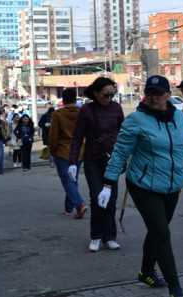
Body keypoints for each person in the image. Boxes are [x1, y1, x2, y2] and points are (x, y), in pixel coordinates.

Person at [103, 75, 183, 297]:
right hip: (144, 185)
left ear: (167, 95)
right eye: (150, 93)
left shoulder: (181, 119)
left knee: (158, 231)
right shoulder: (136, 120)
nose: (153, 98)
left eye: (158, 93)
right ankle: (176, 288)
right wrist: (108, 182)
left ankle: (146, 271)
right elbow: (120, 152)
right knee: (162, 234)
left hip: (172, 185)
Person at [69, 77, 124, 252]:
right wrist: (73, 162)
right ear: (95, 93)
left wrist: (125, 156)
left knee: (111, 199)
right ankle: (96, 236)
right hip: (92, 159)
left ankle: (110, 236)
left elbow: (124, 135)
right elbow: (77, 138)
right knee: (97, 197)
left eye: (112, 94)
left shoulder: (116, 108)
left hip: (112, 160)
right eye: (106, 94)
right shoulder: (86, 110)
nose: (109, 98)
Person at [49, 88, 86, 218]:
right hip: (80, 151)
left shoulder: (58, 114)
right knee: (73, 178)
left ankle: (79, 204)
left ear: (63, 100)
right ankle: (69, 208)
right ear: (75, 99)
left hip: (63, 151)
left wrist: (52, 150)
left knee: (67, 179)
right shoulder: (82, 112)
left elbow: (53, 135)